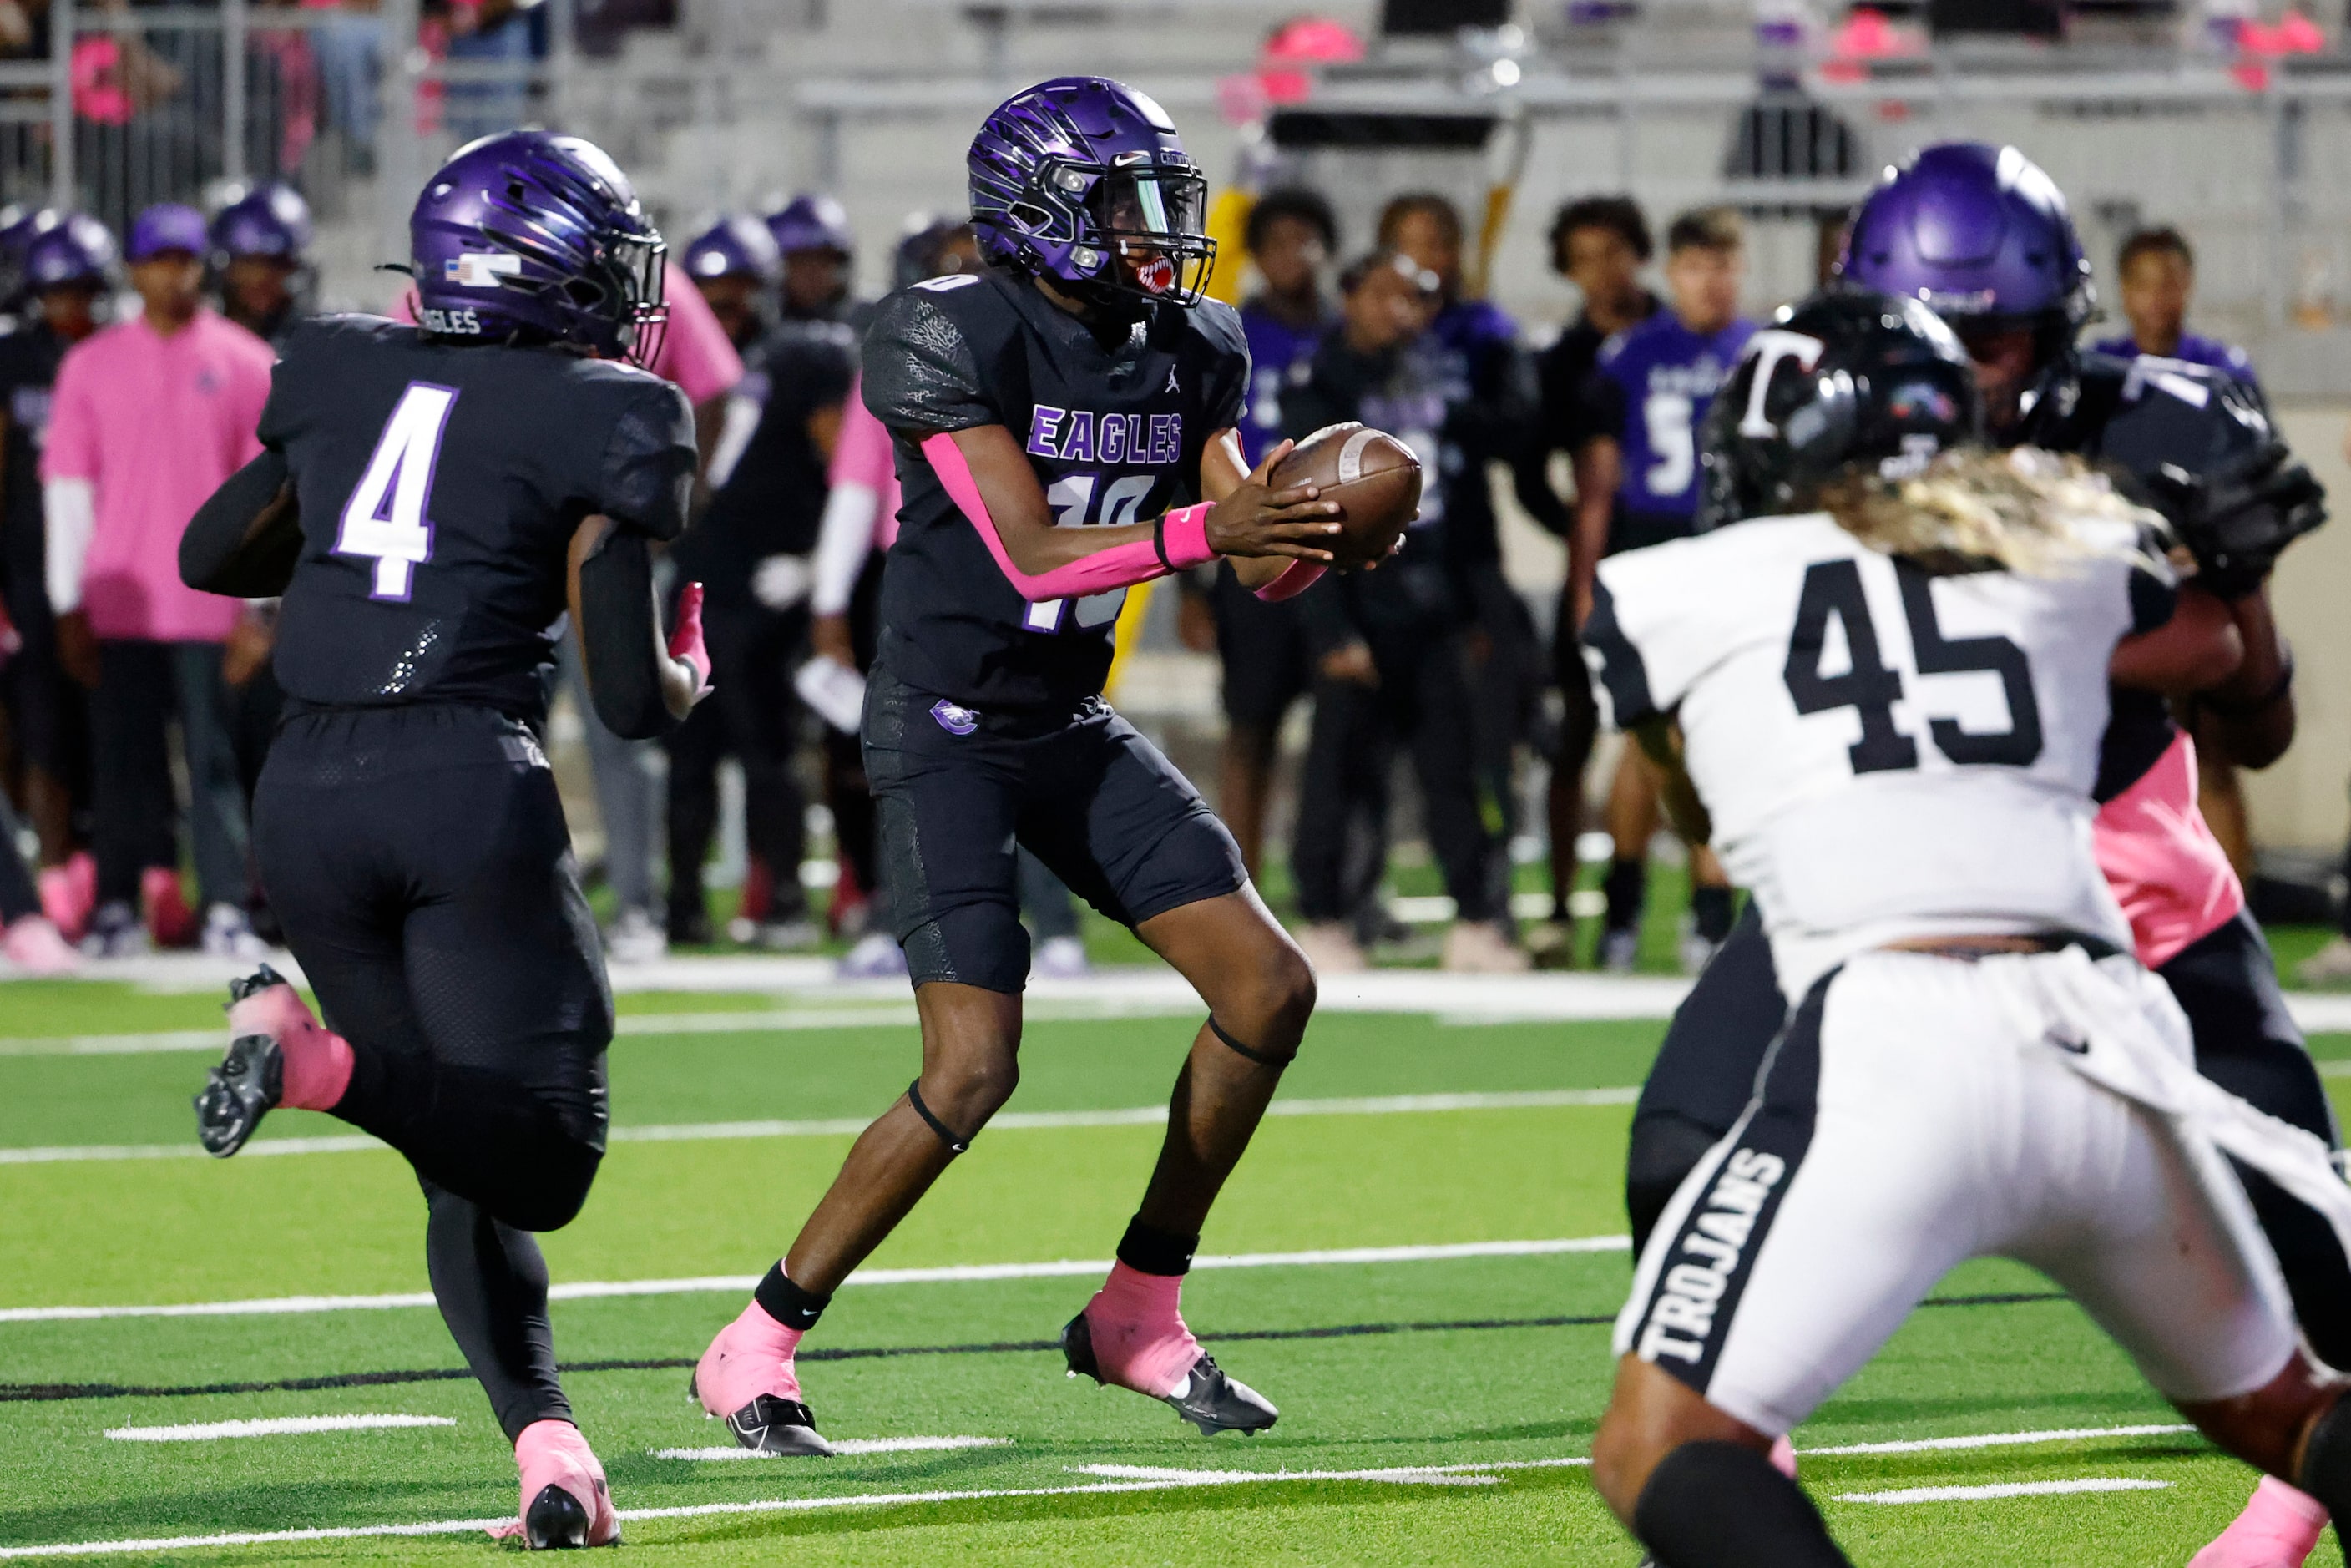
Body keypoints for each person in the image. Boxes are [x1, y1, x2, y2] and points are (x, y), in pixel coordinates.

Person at [1634, 142, 2337, 1568]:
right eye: (1942, 334)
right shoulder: (1822, 407)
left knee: (2309, 1261)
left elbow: (2254, 730)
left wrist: (2243, 602)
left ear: (2061, 324)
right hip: (1874, 884)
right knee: (1674, 1159)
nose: (1963, 366)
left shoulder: (2157, 422)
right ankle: (1739, 1443)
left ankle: (2284, 1499)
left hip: (2123, 887)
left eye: (1999, 336)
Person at [689, 74, 1336, 1456]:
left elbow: (1248, 546)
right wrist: (1215, 536)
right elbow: (1033, 553)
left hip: (1066, 720)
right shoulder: (948, 327)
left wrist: (1318, 532)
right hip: (945, 727)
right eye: (1126, 203)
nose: (1160, 227)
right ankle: (758, 1334)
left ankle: (1138, 1310)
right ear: (1036, 211)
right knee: (973, 1065)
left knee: (1270, 987)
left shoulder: (1185, 342)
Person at [182, 129, 705, 1548]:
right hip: (458, 775)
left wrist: (350, 500)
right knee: (545, 1152)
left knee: (460, 1157)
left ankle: (548, 1446)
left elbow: (207, 553)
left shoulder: (344, 366)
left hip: (308, 790)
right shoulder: (607, 407)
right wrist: (686, 675)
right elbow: (623, 698)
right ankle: (314, 1059)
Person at [43, 202, 276, 958]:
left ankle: (225, 906)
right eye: (158, 260)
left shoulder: (242, 360)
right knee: (121, 770)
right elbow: (69, 491)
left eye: (184, 259)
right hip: (120, 604)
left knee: (214, 770)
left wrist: (258, 609)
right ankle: (116, 904)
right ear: (136, 271)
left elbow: (267, 496)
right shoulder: (91, 364)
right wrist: (68, 604)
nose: (173, 274)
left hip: (209, 609)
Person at [1285, 250, 1524, 974]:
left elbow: (1465, 488)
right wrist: (1331, 627)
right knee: (1338, 770)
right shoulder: (1318, 380)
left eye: (1417, 299)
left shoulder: (1436, 372)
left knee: (1451, 767)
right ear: (1351, 294)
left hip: (1430, 601)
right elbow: (1303, 515)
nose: (1403, 312)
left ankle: (1477, 917)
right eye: (1387, 296)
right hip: (1357, 598)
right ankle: (1321, 915)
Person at [662, 219, 855, 953]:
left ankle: (780, 903)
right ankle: (681, 905)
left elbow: (850, 470)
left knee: (766, 748)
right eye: (711, 300)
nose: (724, 314)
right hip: (697, 584)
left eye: (737, 299)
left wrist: (815, 562)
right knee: (690, 755)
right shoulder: (671, 361)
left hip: (769, 586)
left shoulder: (805, 355)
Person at [1578, 205, 1753, 974]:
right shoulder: (1631, 356)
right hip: (1651, 548)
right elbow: (1599, 485)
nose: (1711, 282)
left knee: (1722, 738)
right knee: (1650, 736)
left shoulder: (1764, 353)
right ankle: (1627, 902)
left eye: (1723, 266)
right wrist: (1585, 582)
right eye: (1697, 266)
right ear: (1673, 272)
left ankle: (1707, 910)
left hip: (1736, 549)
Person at [1378, 192, 1541, 938]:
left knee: (1491, 732)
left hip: (1467, 563)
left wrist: (1455, 398)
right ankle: (1354, 893)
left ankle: (1492, 893)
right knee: (1364, 738)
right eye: (1410, 246)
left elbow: (1522, 434)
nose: (1428, 262)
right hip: (1379, 569)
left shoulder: (1482, 337)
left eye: (1440, 243)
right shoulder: (1359, 345)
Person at [1515, 195, 1660, 960]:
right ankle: (1565, 906)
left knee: (1670, 735)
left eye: (1615, 250)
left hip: (1677, 560)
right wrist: (1578, 532)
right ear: (1567, 270)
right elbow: (1533, 470)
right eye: (1585, 257)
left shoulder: (1676, 339)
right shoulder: (1563, 360)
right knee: (1573, 734)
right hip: (1599, 569)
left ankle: (1659, 900)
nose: (1603, 269)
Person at [1199, 186, 1335, 883]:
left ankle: (1337, 883)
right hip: (1251, 545)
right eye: (1277, 242)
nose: (1293, 255)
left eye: (1304, 239)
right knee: (1250, 725)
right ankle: (1238, 876)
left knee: (1344, 731)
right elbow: (1194, 454)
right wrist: (1196, 580)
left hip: (1331, 547)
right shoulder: (1227, 332)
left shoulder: (1348, 331)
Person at [0, 215, 108, 950]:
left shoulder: (114, 356)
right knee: (36, 727)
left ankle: (103, 874)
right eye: (57, 289)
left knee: (102, 727)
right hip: (25, 565)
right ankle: (53, 870)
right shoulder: (13, 358)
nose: (69, 302)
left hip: (110, 568)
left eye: (81, 289)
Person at [2091, 226, 2258, 387]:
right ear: (2124, 289)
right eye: (2144, 285)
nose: (2155, 298)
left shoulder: (2222, 370)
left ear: (2188, 285)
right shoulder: (2099, 368)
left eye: (2169, 284)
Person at [209, 183, 311, 346]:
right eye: (251, 263)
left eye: (277, 264)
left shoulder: (308, 340)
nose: (263, 277)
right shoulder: (203, 337)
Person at [681, 214, 779, 352]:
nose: (713, 321)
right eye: (703, 310)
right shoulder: (679, 359)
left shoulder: (777, 357)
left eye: (725, 308)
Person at [764, 193, 862, 327]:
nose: (814, 275)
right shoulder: (749, 337)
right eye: (801, 262)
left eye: (825, 263)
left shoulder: (861, 329)